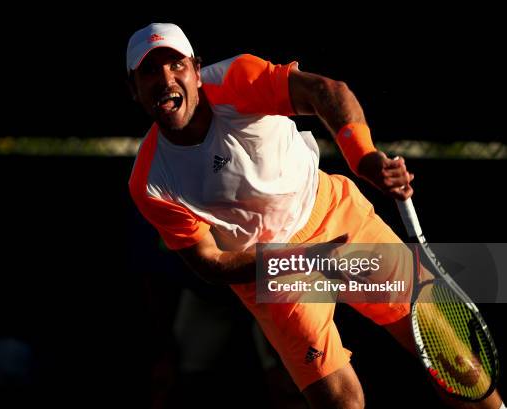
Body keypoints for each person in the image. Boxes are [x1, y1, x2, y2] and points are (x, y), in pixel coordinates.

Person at [126, 22, 504, 409]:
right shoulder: (151, 180)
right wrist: (304, 260)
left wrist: (365, 157)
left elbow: (325, 91)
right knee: (339, 401)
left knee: (449, 352)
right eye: (150, 71)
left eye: (176, 65)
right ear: (134, 89)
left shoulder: (236, 79)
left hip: (333, 215)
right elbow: (212, 263)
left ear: (196, 69)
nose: (166, 78)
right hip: (275, 269)